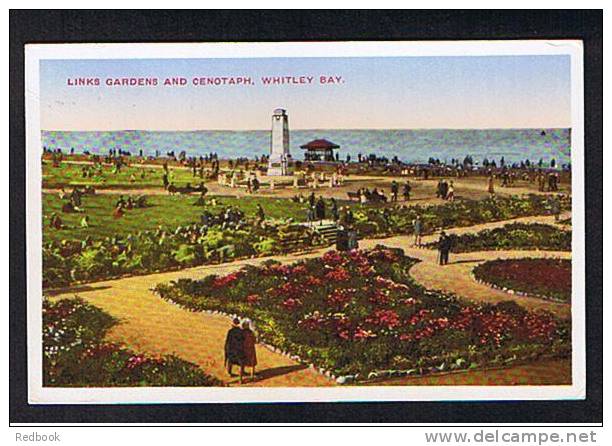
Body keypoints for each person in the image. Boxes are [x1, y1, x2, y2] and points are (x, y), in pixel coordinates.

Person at [224, 318, 245, 383]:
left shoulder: (230, 331)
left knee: (230, 360)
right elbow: (243, 341)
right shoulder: (241, 332)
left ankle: (229, 373)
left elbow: (227, 341)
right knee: (241, 364)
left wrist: (226, 350)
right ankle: (240, 379)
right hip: (239, 350)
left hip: (232, 350)